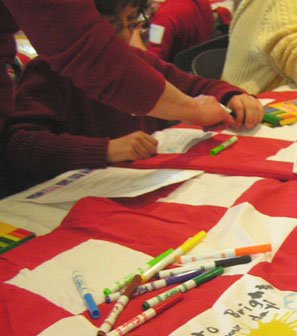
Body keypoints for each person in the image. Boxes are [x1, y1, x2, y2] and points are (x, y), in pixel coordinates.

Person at [3, 0, 263, 193]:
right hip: (75, 198)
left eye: (131, 24)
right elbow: (20, 145)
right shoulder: (47, 75)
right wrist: (104, 150)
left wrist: (229, 95)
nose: (125, 35)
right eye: (113, 25)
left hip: (133, 188)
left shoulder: (138, 62)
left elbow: (195, 85)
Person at [146, 0, 215, 62]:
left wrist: (135, 35)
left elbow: (152, 63)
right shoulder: (203, 2)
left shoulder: (164, 16)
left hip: (170, 72)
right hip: (199, 66)